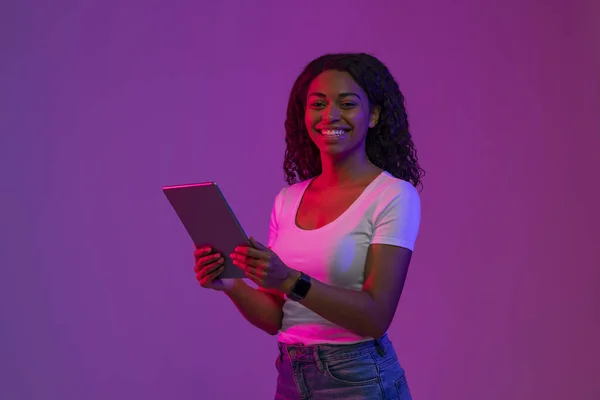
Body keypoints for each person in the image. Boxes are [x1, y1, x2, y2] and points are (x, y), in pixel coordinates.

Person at [193, 52, 423, 399]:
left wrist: (288, 278)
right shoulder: (287, 200)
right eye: (318, 104)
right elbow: (276, 318)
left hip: (358, 379)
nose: (330, 115)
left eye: (347, 103)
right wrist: (230, 284)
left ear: (373, 115)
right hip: (291, 375)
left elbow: (376, 317)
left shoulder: (392, 196)